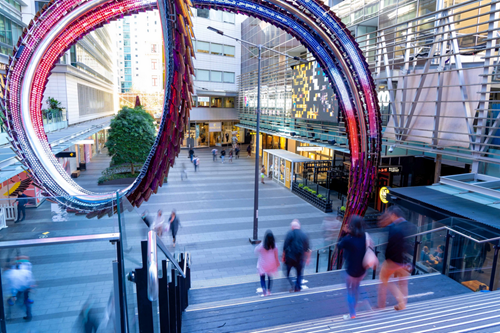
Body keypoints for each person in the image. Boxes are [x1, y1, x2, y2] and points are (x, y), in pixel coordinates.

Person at [377, 206, 415, 311]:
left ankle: (382, 305)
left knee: (384, 279)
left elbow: (391, 246)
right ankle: (402, 305)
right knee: (403, 283)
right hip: (407, 261)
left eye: (390, 215)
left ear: (393, 215)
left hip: (394, 260)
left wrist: (388, 260)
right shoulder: (411, 226)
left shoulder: (394, 228)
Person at [338, 216, 369, 320]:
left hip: (351, 270)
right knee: (356, 289)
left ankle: (352, 314)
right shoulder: (364, 236)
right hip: (361, 270)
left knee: (350, 291)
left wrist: (344, 232)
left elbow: (339, 245)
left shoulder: (348, 239)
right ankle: (362, 302)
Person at [282, 220, 311, 292]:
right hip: (300, 258)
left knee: (287, 273)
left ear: (292, 227)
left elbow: (285, 246)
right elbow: (307, 248)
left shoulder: (290, 233)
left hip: (290, 258)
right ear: (299, 226)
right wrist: (307, 258)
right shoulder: (304, 235)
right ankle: (297, 287)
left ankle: (293, 284)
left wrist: (283, 256)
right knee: (299, 273)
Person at [5, 256, 35, 321]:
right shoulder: (25, 269)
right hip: (26, 287)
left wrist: (13, 295)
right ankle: (29, 314)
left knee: (19, 302)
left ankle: (9, 315)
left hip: (19, 288)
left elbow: (13, 286)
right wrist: (31, 287)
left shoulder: (12, 273)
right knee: (26, 301)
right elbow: (30, 278)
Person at [255, 230, 280, 296]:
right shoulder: (274, 245)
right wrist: (277, 263)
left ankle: (264, 288)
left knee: (262, 277)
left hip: (263, 264)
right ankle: (269, 290)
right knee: (269, 277)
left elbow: (256, 250)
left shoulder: (262, 245)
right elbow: (276, 255)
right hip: (271, 264)